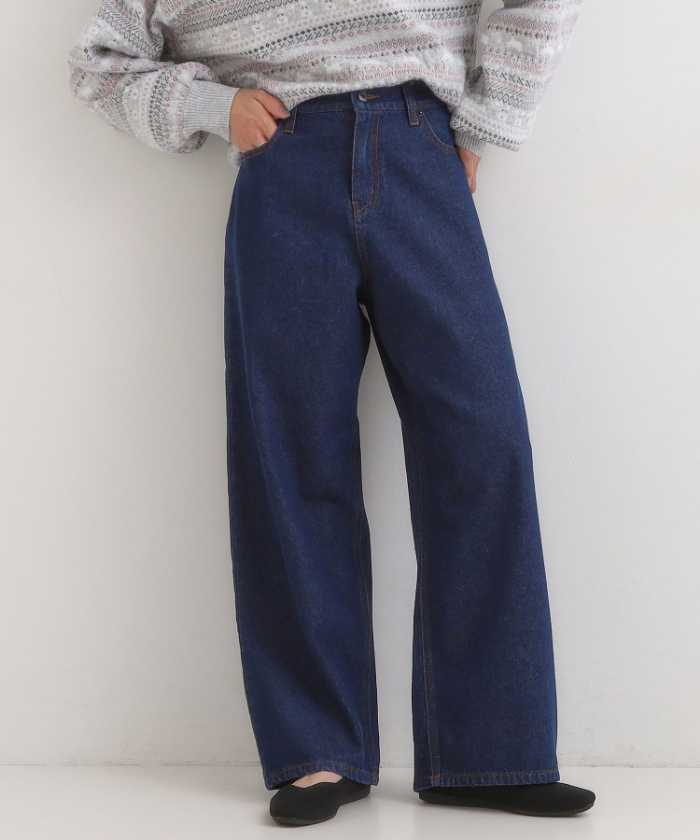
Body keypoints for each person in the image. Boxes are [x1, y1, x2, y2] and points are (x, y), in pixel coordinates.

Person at [68, 0, 595, 827]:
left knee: (481, 443)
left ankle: (490, 754)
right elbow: (100, 61)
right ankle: (317, 752)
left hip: (423, 142)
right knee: (292, 457)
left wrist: (486, 123)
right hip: (283, 158)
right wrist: (212, 106)